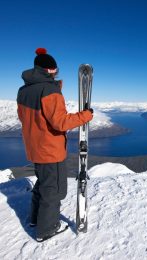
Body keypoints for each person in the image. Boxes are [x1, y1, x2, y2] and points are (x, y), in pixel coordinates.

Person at [17, 48, 93, 242]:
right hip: (50, 150)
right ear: (50, 70)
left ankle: (35, 219)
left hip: (35, 148)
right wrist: (86, 116)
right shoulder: (49, 90)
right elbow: (60, 122)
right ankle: (47, 229)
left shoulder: (24, 90)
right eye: (55, 69)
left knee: (43, 183)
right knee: (54, 190)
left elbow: (25, 119)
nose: (57, 71)